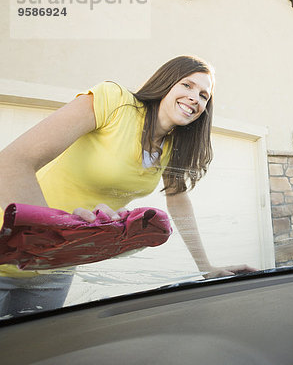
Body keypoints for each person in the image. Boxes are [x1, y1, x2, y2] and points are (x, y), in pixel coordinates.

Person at [0, 55, 256, 316]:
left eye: (204, 95)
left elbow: (178, 200)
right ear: (166, 82)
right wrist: (53, 238)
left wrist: (206, 268)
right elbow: (11, 162)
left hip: (53, 269)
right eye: (187, 85)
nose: (195, 98)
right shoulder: (114, 102)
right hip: (6, 250)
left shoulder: (170, 148)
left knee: (28, 350)